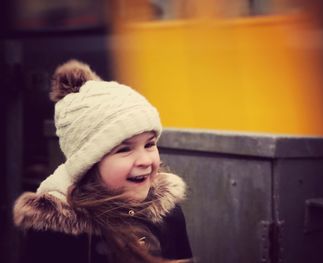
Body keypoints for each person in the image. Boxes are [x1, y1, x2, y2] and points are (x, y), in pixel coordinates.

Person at [13, 60, 193, 263]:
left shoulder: (166, 213)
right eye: (124, 149)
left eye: (149, 144)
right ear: (88, 163)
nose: (145, 160)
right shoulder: (59, 232)